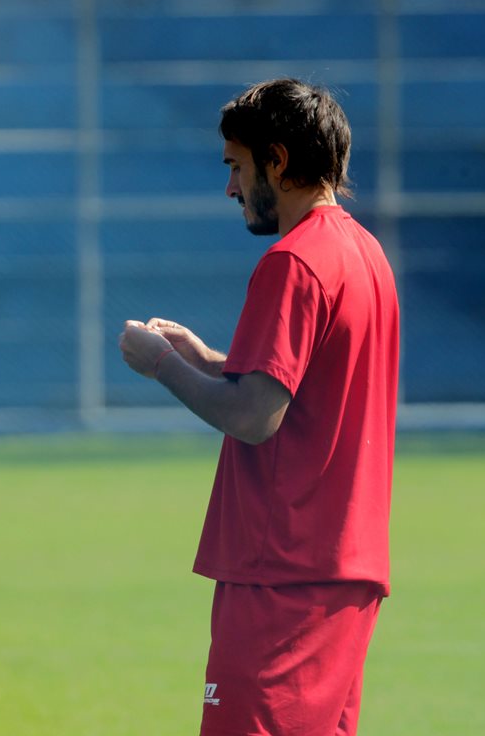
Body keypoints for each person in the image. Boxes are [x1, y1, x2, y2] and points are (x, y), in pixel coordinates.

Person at [118, 78, 399, 736]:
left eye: (236, 166)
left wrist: (158, 365)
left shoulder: (293, 261)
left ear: (276, 160)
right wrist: (204, 357)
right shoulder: (364, 253)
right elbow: (309, 386)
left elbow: (253, 417)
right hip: (344, 567)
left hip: (284, 569)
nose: (230, 187)